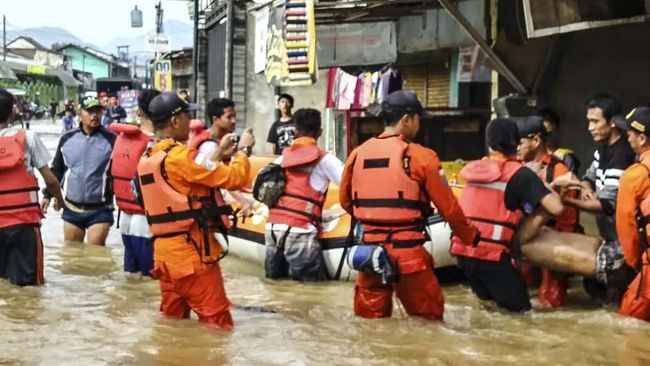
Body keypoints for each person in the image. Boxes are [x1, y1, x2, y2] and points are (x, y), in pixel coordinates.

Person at [340, 90, 479, 320]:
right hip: (408, 257)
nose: (419, 125)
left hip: (368, 256)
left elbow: (347, 202)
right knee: (428, 323)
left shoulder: (357, 154)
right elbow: (449, 209)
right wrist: (471, 237)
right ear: (407, 119)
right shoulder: (422, 157)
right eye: (418, 119)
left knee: (370, 325)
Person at [137, 91, 254, 329]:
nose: (191, 122)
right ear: (174, 121)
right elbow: (235, 177)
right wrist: (243, 151)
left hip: (163, 256)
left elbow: (193, 178)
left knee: (172, 325)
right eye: (187, 115)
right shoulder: (181, 156)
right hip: (192, 254)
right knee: (218, 327)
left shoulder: (148, 157)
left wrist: (219, 153)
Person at [450, 117, 565, 312]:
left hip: (463, 252)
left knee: (490, 307)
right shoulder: (519, 173)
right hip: (492, 257)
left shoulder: (476, 168)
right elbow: (556, 208)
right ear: (515, 142)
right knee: (521, 314)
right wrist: (546, 186)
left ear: (490, 143)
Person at [563, 93, 636, 302]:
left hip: (625, 239)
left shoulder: (621, 155)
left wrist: (566, 202)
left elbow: (606, 205)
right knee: (594, 284)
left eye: (595, 121)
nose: (590, 127)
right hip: (611, 235)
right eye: (589, 121)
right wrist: (585, 187)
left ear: (612, 122)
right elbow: (588, 176)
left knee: (613, 288)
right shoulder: (601, 150)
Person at [265, 108, 344, 281]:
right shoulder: (325, 159)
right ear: (320, 132)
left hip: (272, 230)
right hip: (299, 231)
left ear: (295, 131)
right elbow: (350, 184)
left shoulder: (281, 158)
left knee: (275, 286)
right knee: (312, 290)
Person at [0, 88, 64, 286]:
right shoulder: (28, 138)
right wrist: (60, 201)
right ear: (12, 112)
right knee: (29, 289)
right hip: (24, 226)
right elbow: (51, 180)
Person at [516, 116, 580, 307]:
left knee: (552, 297)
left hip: (552, 241)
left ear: (536, 141)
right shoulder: (520, 169)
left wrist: (560, 260)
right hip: (527, 238)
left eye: (519, 142)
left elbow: (567, 220)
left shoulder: (559, 171)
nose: (515, 148)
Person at [42, 97, 116, 246]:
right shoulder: (67, 139)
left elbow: (119, 173)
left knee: (95, 255)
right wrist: (47, 196)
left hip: (100, 210)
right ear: (79, 114)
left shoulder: (112, 140)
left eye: (97, 111)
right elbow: (57, 169)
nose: (94, 115)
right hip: (71, 208)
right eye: (89, 111)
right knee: (72, 256)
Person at [109, 89, 160, 279]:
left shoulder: (122, 139)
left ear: (139, 112)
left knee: (133, 277)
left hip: (125, 220)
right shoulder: (154, 145)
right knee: (152, 281)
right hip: (146, 222)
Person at [188, 98, 255, 215]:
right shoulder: (209, 146)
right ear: (215, 119)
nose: (233, 121)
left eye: (234, 116)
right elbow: (217, 177)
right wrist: (244, 203)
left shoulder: (223, 141)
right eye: (229, 117)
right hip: (211, 201)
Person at [616, 107, 650, 321]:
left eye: (629, 134)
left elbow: (626, 226)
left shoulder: (635, 176)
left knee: (629, 323)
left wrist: (636, 263)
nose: (627, 138)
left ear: (642, 138)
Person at [537, 108, 580, 174]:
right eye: (543, 133)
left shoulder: (565, 157)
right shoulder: (525, 155)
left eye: (550, 133)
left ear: (556, 131)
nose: (547, 137)